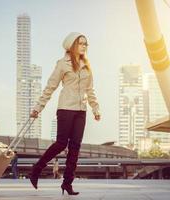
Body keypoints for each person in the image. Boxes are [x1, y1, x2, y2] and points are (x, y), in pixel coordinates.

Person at [29, 32, 101, 195]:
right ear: (72, 45)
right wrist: (38, 108)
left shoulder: (87, 66)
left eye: (85, 44)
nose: (84, 46)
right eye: (81, 43)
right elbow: (50, 87)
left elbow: (90, 90)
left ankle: (67, 183)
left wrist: (95, 109)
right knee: (61, 143)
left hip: (81, 111)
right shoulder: (62, 64)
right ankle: (37, 169)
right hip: (66, 109)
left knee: (75, 147)